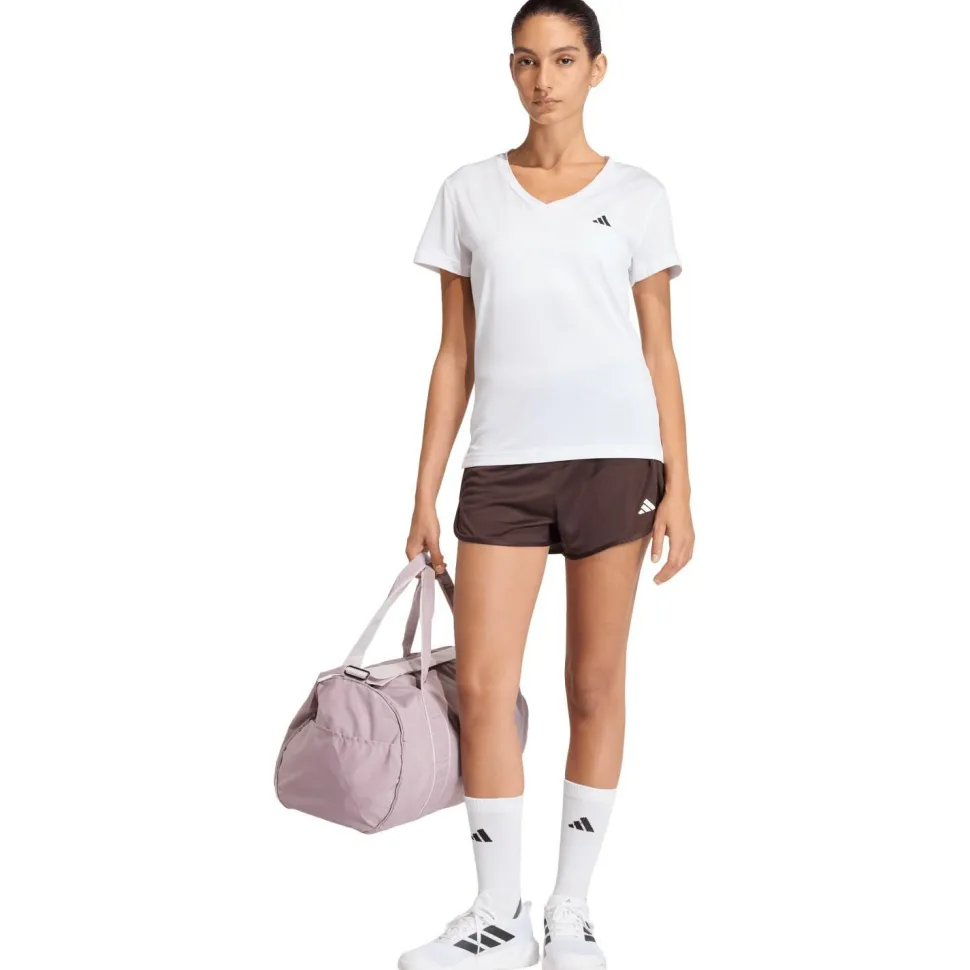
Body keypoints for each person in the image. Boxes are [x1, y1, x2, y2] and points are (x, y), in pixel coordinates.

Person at [400, 2, 693, 968]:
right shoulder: (468, 192)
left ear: (597, 69)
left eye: (564, 60)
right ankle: (499, 912)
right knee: (485, 687)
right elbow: (453, 355)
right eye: (527, 61)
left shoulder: (639, 195)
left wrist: (682, 489)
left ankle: (571, 911)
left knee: (595, 683)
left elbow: (659, 350)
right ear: (511, 69)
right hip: (503, 468)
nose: (544, 80)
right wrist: (423, 492)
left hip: (617, 460)